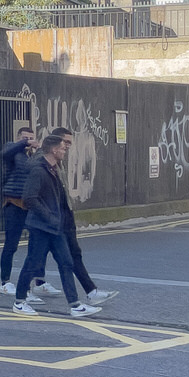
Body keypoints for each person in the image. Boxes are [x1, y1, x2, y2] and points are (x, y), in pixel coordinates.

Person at [11, 133, 100, 317]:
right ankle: (19, 302)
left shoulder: (53, 169)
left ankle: (75, 305)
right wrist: (49, 216)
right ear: (53, 150)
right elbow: (29, 198)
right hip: (40, 226)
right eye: (62, 148)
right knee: (33, 263)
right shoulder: (38, 170)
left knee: (66, 262)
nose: (64, 151)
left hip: (55, 226)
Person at [48, 126, 116, 304]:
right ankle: (23, 296)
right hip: (51, 219)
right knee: (42, 258)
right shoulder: (43, 161)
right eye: (66, 142)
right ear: (56, 142)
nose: (68, 146)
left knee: (72, 255)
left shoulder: (58, 160)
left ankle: (90, 292)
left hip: (65, 215)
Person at [0, 128, 45, 303]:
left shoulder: (34, 155)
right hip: (13, 203)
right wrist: (24, 144)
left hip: (30, 205)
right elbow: (6, 152)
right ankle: (5, 282)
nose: (28, 141)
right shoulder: (12, 149)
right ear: (18, 138)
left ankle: (39, 281)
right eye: (25, 138)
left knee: (38, 243)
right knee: (11, 244)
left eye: (31, 138)